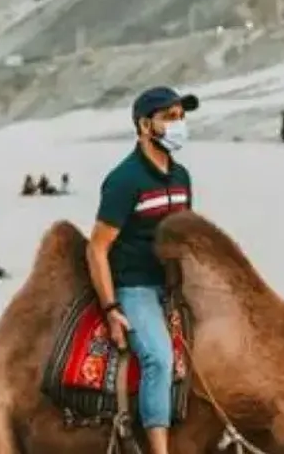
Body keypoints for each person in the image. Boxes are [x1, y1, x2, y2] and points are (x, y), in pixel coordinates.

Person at [87, 86, 198, 454]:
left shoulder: (182, 176)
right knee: (159, 358)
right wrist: (111, 309)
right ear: (144, 125)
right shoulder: (125, 180)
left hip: (175, 284)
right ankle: (159, 447)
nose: (178, 124)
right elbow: (97, 248)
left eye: (181, 117)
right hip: (136, 286)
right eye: (169, 117)